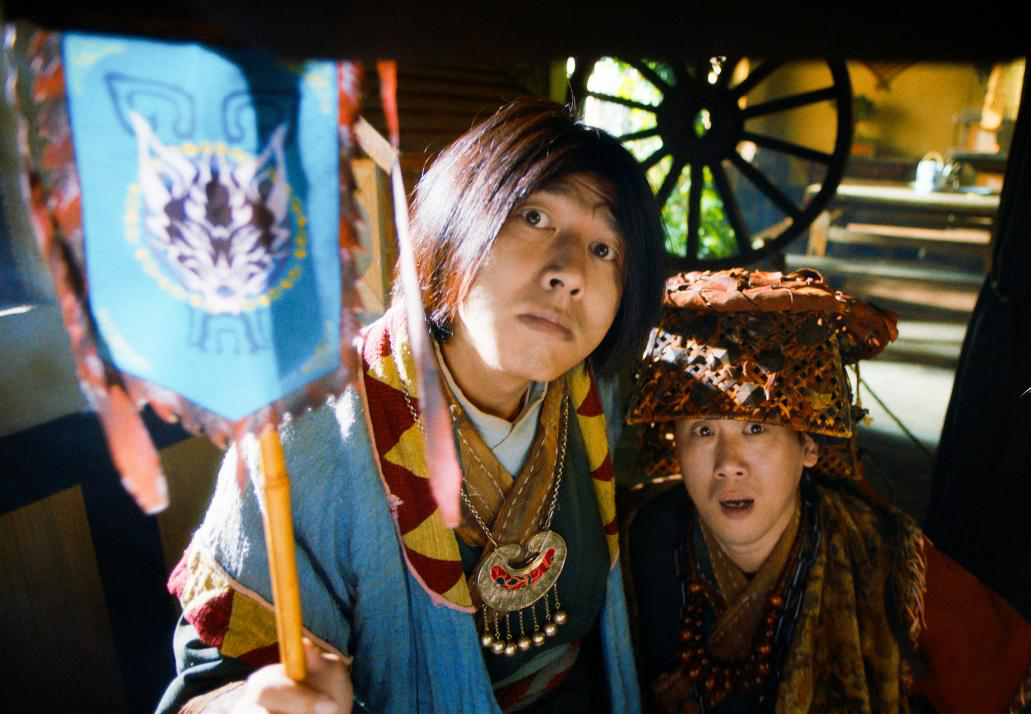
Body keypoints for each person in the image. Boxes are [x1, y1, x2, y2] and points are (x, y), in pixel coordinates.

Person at [159, 101, 667, 713]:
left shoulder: (592, 399)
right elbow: (207, 685)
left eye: (606, 249)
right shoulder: (306, 431)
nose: (570, 274)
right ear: (455, 225)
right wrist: (251, 705)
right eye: (534, 217)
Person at [622, 268, 1031, 714]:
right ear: (675, 445)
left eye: (756, 429)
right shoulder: (635, 542)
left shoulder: (885, 559)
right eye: (703, 431)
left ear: (808, 446)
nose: (728, 464)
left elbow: (1022, 679)